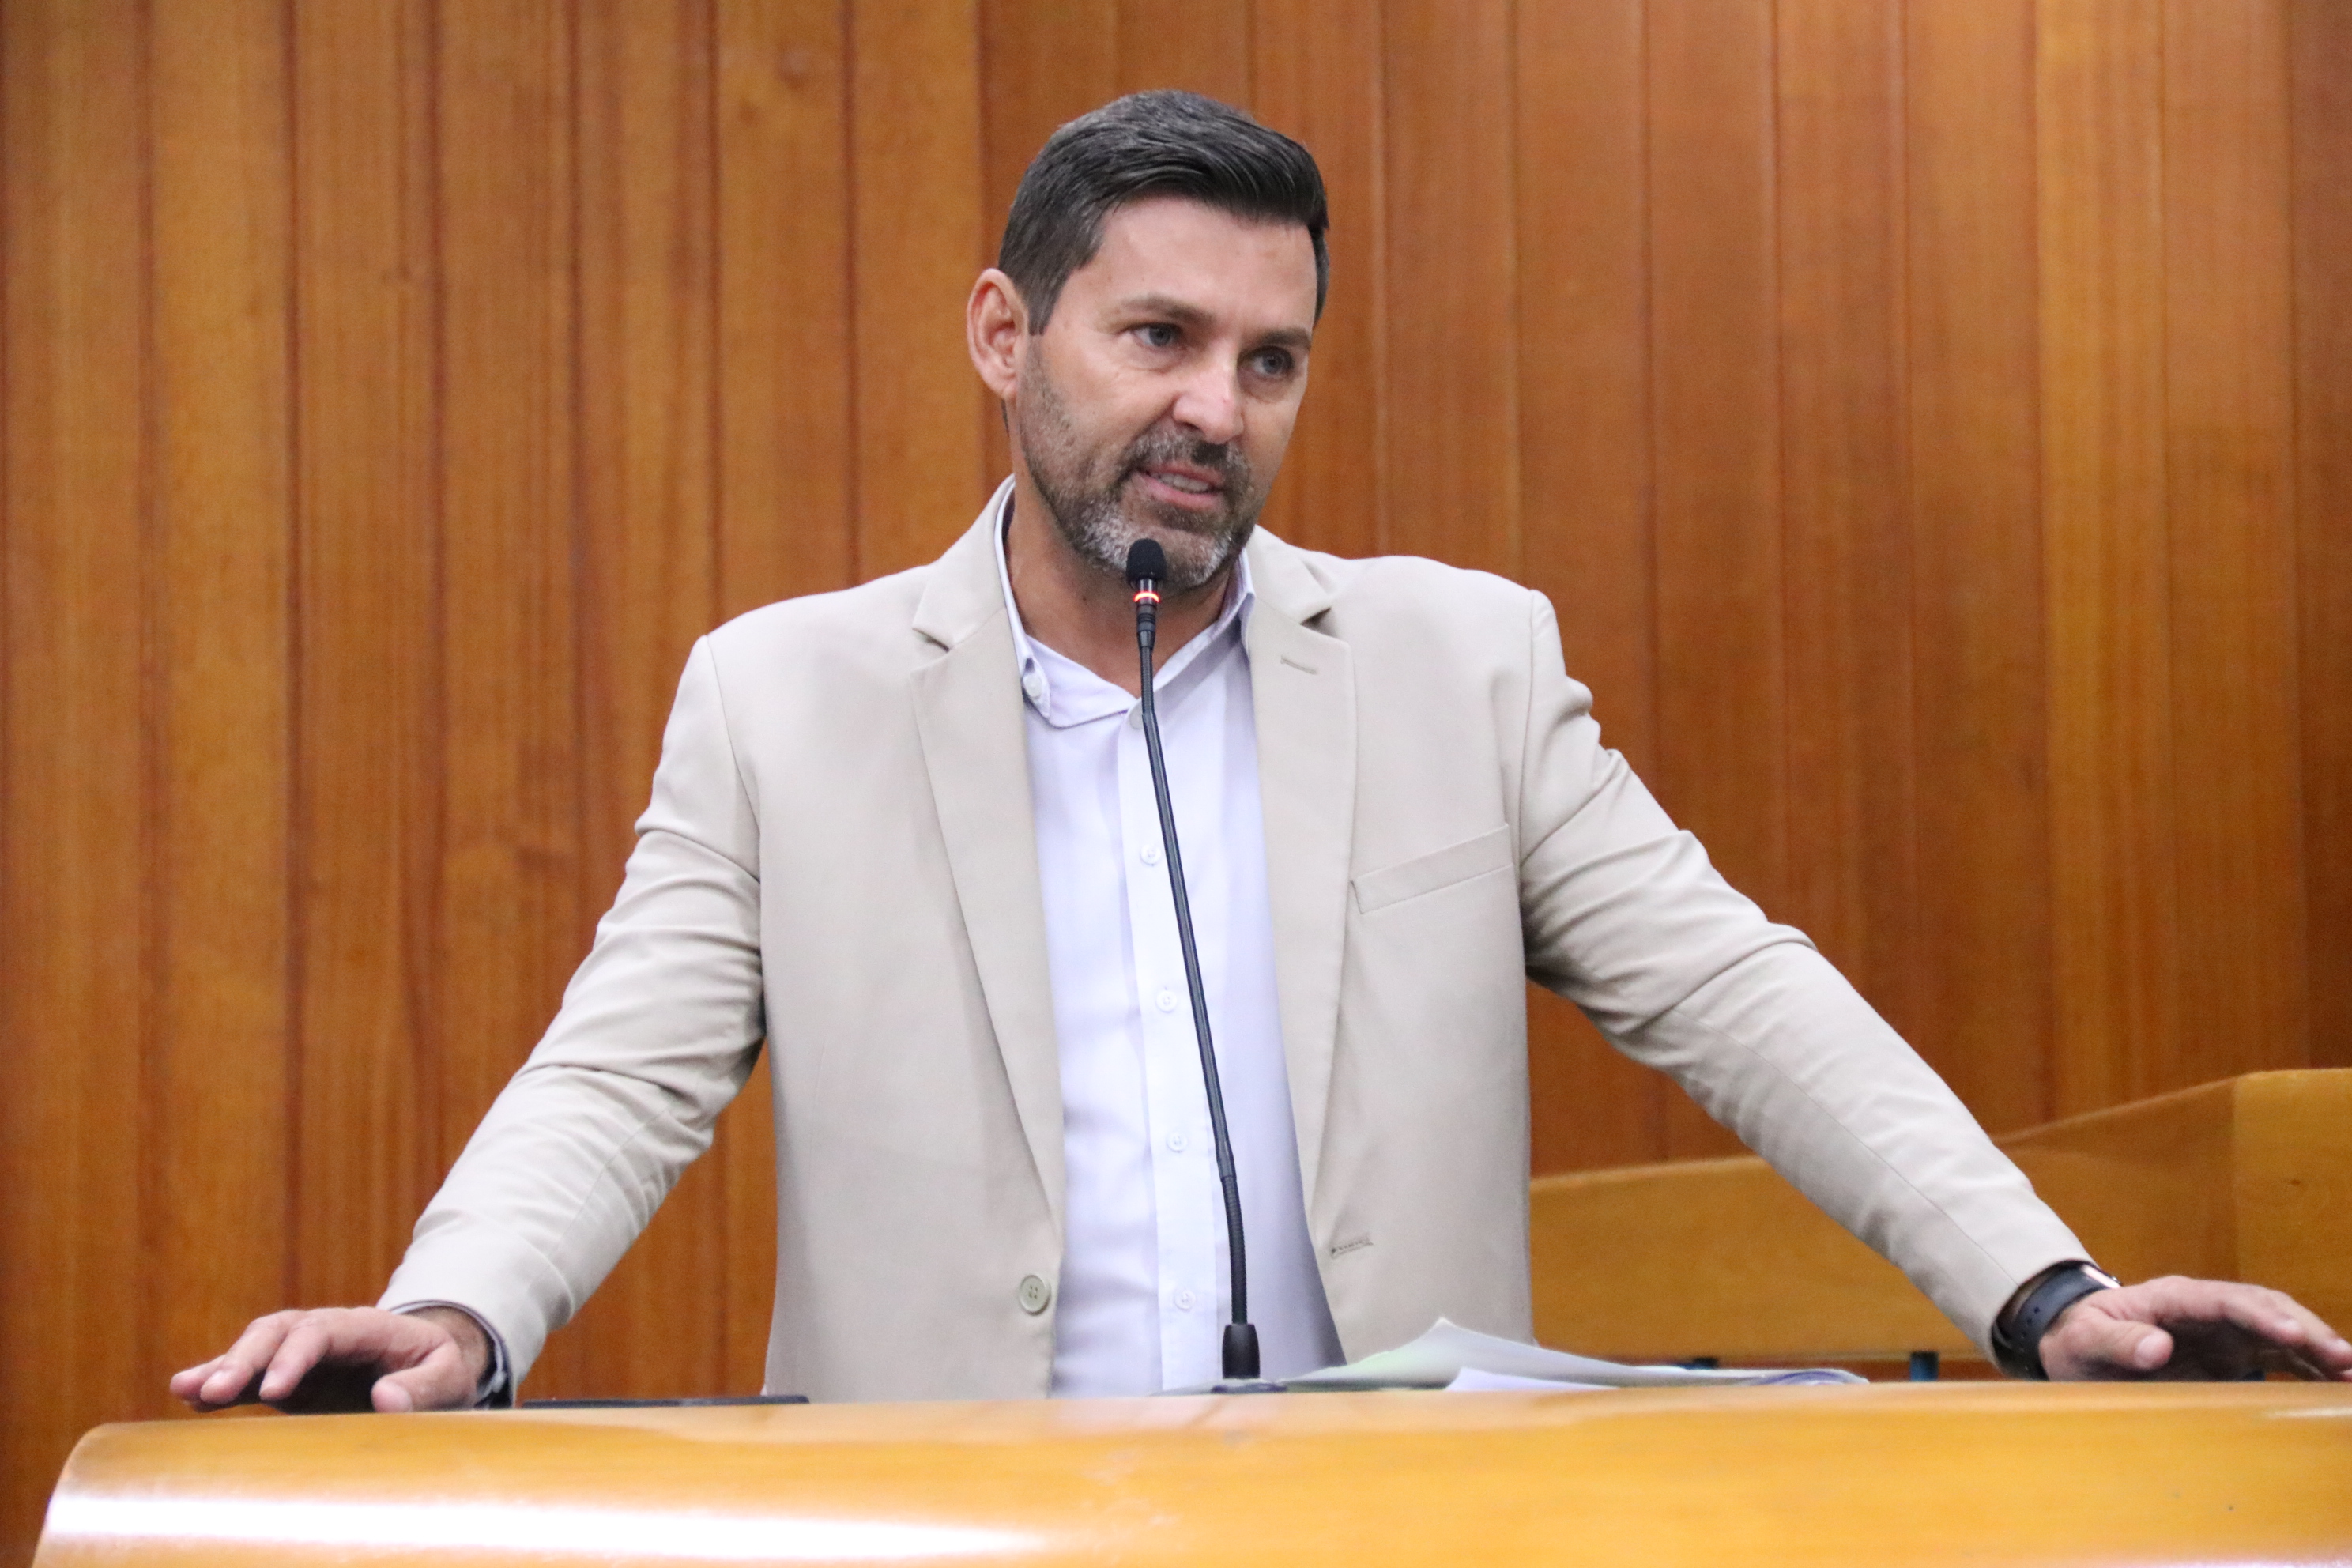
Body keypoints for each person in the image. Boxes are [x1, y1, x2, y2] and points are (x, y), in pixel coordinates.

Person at [175, 91, 2351, 1416]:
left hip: (1381, 1521)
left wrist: (2041, 1289)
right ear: (1007, 334)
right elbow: (617, 1075)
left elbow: (1740, 995)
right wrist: (456, 1310)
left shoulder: (1461, 668)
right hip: (947, 1519)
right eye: (1160, 337)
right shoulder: (782, 698)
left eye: (1271, 358)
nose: (1215, 406)